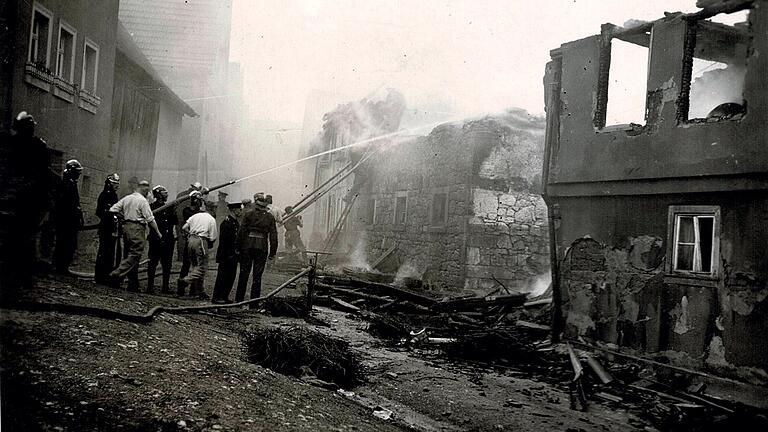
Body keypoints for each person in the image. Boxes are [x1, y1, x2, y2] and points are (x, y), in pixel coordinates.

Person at [0, 111, 55, 293]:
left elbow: (41, 175)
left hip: (26, 200)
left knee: (23, 240)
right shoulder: (18, 144)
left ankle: (21, 278)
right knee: (23, 240)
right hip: (22, 199)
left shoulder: (16, 144)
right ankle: (20, 277)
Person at [109, 180, 162, 291]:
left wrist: (123, 217)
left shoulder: (127, 198)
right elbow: (150, 219)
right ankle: (116, 274)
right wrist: (158, 232)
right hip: (137, 228)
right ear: (144, 189)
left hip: (126, 227)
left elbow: (113, 209)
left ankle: (131, 284)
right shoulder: (142, 201)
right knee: (135, 255)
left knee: (128, 254)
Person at [235, 193, 278, 306]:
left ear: (256, 205)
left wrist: (238, 247)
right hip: (262, 246)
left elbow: (241, 232)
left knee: (244, 273)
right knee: (257, 275)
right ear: (265, 206)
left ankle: (239, 299)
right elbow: (273, 236)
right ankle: (254, 303)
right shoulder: (270, 217)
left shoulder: (248, 215)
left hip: (247, 245)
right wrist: (272, 252)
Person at [53, 159, 84, 274]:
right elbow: (66, 204)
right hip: (66, 220)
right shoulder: (66, 183)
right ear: (72, 171)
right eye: (77, 171)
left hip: (70, 220)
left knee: (69, 244)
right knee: (64, 243)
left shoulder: (71, 182)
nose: (79, 174)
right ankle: (60, 267)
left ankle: (62, 266)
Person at [180, 208, 218, 299]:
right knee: (202, 267)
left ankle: (199, 290)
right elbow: (213, 237)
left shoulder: (195, 216)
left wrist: (191, 234)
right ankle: (185, 281)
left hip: (191, 240)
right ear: (213, 211)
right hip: (201, 241)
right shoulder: (211, 219)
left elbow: (184, 227)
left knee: (195, 266)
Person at [147, 185, 178, 294]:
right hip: (156, 239)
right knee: (153, 263)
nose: (167, 195)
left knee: (167, 264)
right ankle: (149, 288)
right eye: (164, 193)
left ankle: (165, 288)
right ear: (159, 194)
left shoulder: (168, 207)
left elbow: (174, 221)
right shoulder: (151, 207)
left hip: (168, 239)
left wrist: (174, 210)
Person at [211, 203, 242, 303]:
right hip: (226, 254)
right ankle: (217, 297)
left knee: (230, 276)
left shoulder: (235, 222)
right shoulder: (227, 222)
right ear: (234, 210)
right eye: (239, 210)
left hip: (233, 254)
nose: (240, 211)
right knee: (222, 276)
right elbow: (225, 240)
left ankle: (224, 296)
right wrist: (230, 253)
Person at [94, 173, 120, 284]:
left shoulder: (114, 195)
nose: (116, 186)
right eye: (114, 183)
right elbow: (99, 212)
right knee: (103, 253)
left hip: (112, 228)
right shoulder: (104, 195)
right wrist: (111, 216)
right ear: (109, 184)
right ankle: (100, 276)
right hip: (106, 228)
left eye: (117, 183)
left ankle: (106, 275)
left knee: (110, 253)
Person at [177, 190, 204, 295]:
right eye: (200, 200)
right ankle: (181, 289)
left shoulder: (197, 212)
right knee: (187, 265)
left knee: (195, 265)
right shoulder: (187, 211)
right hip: (191, 241)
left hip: (196, 240)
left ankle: (193, 289)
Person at [175, 182, 205, 260]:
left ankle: (180, 257)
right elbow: (197, 208)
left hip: (179, 219)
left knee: (181, 238)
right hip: (189, 220)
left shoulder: (181, 194)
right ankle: (188, 257)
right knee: (189, 238)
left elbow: (176, 206)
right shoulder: (196, 196)